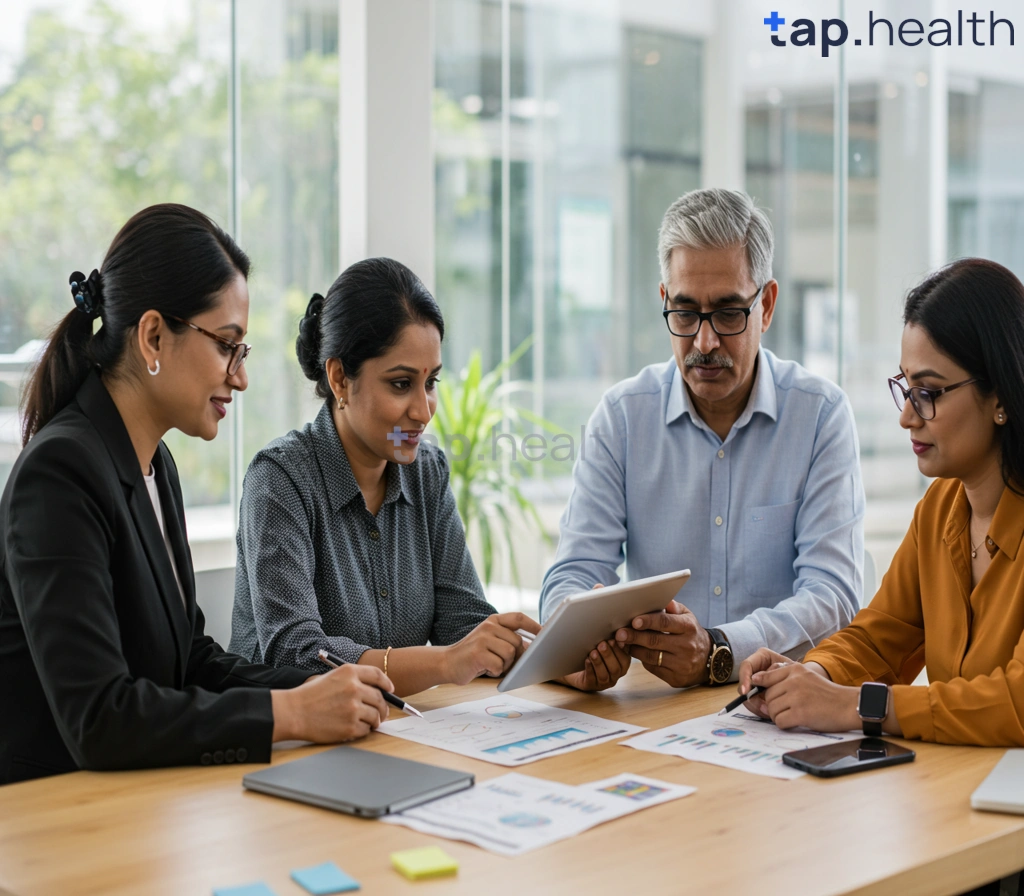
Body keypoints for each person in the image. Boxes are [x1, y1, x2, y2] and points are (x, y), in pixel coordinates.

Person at [0, 205, 392, 786]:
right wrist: (291, 714)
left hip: (138, 805)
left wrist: (317, 688)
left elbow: (189, 662)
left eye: (243, 351)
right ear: (154, 335)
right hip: (52, 821)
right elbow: (99, 718)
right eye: (226, 346)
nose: (240, 376)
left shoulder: (154, 461)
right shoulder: (60, 472)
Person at [540, 187, 865, 692]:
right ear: (664, 301)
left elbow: (833, 594)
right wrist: (577, 648)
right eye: (686, 313)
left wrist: (718, 648)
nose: (704, 343)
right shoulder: (623, 416)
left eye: (729, 313)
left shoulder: (820, 415)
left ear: (768, 305)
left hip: (777, 703)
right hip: (651, 710)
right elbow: (573, 573)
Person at [739, 257, 1024, 748]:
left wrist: (856, 706)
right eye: (905, 389)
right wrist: (808, 674)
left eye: (929, 392)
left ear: (1000, 395)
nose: (907, 417)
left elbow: (1016, 702)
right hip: (956, 792)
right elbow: (879, 638)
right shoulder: (939, 510)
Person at [229, 257, 540, 696]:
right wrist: (448, 661)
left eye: (431, 382)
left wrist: (557, 660)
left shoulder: (426, 475)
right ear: (339, 378)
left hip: (392, 735)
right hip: (292, 745)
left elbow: (462, 623)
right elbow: (297, 655)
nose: (424, 410)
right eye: (400, 384)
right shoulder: (280, 480)